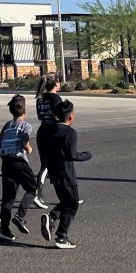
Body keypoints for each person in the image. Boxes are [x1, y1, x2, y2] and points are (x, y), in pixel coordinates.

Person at [40, 99, 91, 249]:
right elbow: (71, 154)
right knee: (73, 203)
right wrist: (86, 155)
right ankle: (62, 236)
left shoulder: (50, 131)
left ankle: (52, 218)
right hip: (67, 173)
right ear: (70, 117)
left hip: (54, 173)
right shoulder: (70, 133)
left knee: (66, 201)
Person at [0, 94, 38, 242]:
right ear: (25, 110)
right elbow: (24, 138)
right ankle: (20, 216)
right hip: (19, 162)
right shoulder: (26, 125)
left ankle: (3, 228)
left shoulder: (7, 125)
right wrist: (28, 147)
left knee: (8, 197)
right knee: (33, 188)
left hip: (6, 162)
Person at [34, 73, 64, 207]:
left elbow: (40, 116)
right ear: (56, 83)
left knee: (55, 166)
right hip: (52, 133)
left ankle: (67, 194)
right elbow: (59, 117)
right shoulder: (56, 99)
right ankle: (35, 193)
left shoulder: (40, 99)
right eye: (59, 81)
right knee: (48, 166)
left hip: (42, 131)